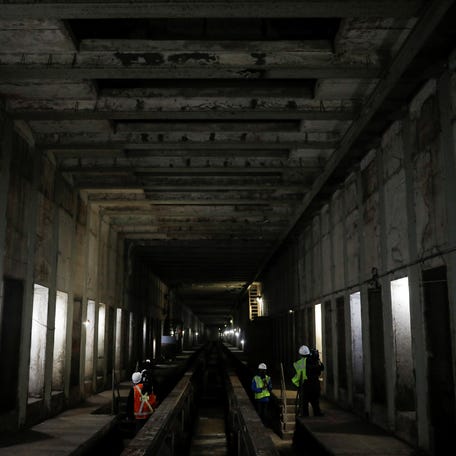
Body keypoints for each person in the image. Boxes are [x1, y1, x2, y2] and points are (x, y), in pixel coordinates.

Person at [292, 345, 324, 417]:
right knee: (315, 403)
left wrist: (295, 384)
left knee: (304, 405)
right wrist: (318, 359)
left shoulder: (299, 363)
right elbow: (321, 368)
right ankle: (317, 414)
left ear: (300, 354)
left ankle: (305, 416)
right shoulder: (315, 360)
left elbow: (297, 377)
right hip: (316, 385)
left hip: (306, 386)